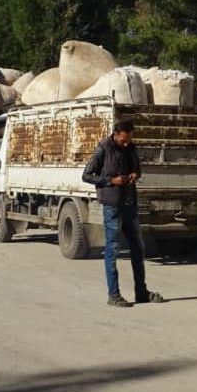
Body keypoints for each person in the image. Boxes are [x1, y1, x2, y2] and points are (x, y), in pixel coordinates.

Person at [82, 120, 164, 307]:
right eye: (123, 140)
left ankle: (141, 292)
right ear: (116, 134)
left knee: (138, 247)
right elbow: (87, 175)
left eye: (129, 140)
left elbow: (137, 168)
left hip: (129, 203)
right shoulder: (103, 148)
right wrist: (111, 181)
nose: (126, 143)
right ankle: (114, 294)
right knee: (113, 249)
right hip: (112, 205)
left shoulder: (130, 147)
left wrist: (135, 174)